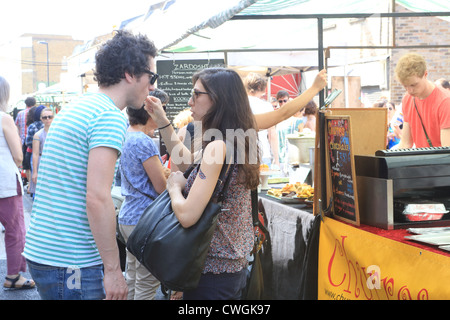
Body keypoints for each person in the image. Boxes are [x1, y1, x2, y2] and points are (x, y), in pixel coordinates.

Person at [144, 67, 327, 299]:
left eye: (196, 94)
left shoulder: (218, 143)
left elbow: (188, 214)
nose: (189, 101)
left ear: (217, 100)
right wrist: (161, 119)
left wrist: (173, 189)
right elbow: (185, 162)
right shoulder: (230, 133)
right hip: (227, 265)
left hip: (214, 270)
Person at [23, 30, 158, 300]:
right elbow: (97, 197)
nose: (153, 85)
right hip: (72, 259)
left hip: (47, 251)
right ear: (130, 73)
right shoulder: (109, 116)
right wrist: (113, 269)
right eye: (151, 76)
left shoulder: (79, 106)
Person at [118, 106, 169, 300]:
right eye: (160, 110)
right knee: (147, 283)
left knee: (132, 276)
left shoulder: (125, 136)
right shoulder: (143, 141)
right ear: (149, 113)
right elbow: (160, 187)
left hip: (128, 215)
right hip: (145, 218)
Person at [0, 76, 35, 290]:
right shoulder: (4, 118)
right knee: (14, 230)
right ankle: (13, 276)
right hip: (4, 183)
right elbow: (19, 156)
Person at [394, 53, 450, 148]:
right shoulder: (407, 99)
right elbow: (405, 144)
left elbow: (446, 151)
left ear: (425, 74)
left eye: (413, 85)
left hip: (439, 161)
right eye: (405, 86)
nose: (410, 90)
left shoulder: (445, 101)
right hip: (423, 160)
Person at [244, 72, 279, 167]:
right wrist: (276, 159)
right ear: (260, 87)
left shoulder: (238, 104)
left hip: (242, 154)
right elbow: (272, 134)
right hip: (262, 153)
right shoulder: (266, 106)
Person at [29, 107, 54, 195]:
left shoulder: (57, 133)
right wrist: (35, 172)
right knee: (41, 190)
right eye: (45, 117)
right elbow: (35, 154)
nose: (47, 119)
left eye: (50, 117)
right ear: (41, 119)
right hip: (42, 162)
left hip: (54, 163)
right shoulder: (38, 135)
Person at [15, 97, 36, 183]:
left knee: (26, 164)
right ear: (34, 103)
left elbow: (16, 126)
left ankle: (29, 181)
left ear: (26, 103)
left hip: (23, 141)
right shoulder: (36, 112)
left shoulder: (20, 113)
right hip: (35, 140)